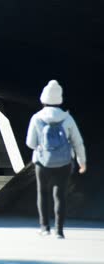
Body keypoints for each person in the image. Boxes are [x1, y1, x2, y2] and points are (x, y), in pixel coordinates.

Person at [26, 80, 87, 239]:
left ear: (43, 99)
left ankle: (44, 227)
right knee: (60, 195)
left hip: (42, 162)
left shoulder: (36, 118)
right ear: (59, 99)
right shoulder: (67, 118)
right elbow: (77, 141)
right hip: (64, 162)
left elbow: (30, 143)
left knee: (42, 193)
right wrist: (82, 162)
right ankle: (59, 230)